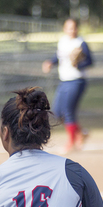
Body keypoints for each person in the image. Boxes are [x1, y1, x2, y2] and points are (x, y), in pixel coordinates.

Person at [42, 18, 93, 154]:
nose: (71, 30)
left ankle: (71, 143)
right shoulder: (63, 41)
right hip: (64, 80)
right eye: (68, 27)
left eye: (73, 27)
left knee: (68, 111)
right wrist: (50, 62)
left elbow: (90, 61)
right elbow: (58, 57)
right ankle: (81, 133)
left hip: (77, 80)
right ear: (64, 29)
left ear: (77, 29)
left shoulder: (80, 43)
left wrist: (79, 64)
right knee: (58, 112)